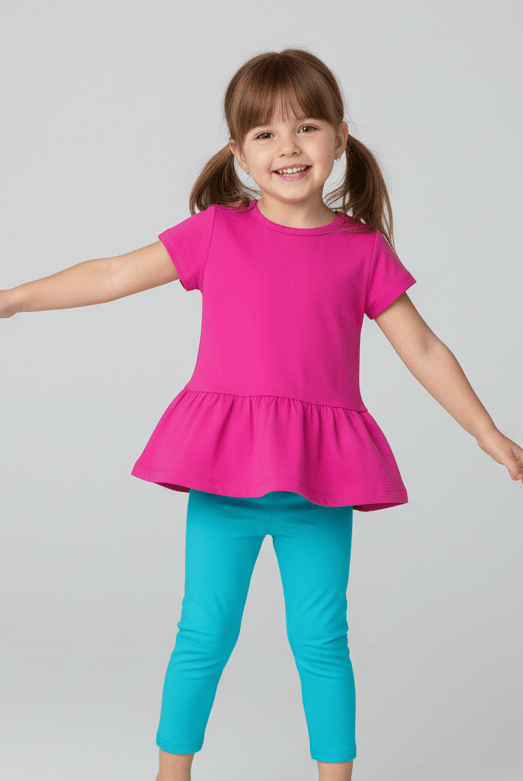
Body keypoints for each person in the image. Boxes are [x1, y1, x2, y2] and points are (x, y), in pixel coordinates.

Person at [2, 47, 522, 781]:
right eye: (266, 133)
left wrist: (485, 430)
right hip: (225, 477)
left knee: (321, 641)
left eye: (306, 127)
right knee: (204, 633)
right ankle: (171, 775)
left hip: (320, 482)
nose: (288, 147)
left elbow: (424, 348)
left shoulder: (362, 250)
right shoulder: (217, 231)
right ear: (238, 152)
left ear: (339, 137)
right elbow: (114, 273)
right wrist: (13, 298)